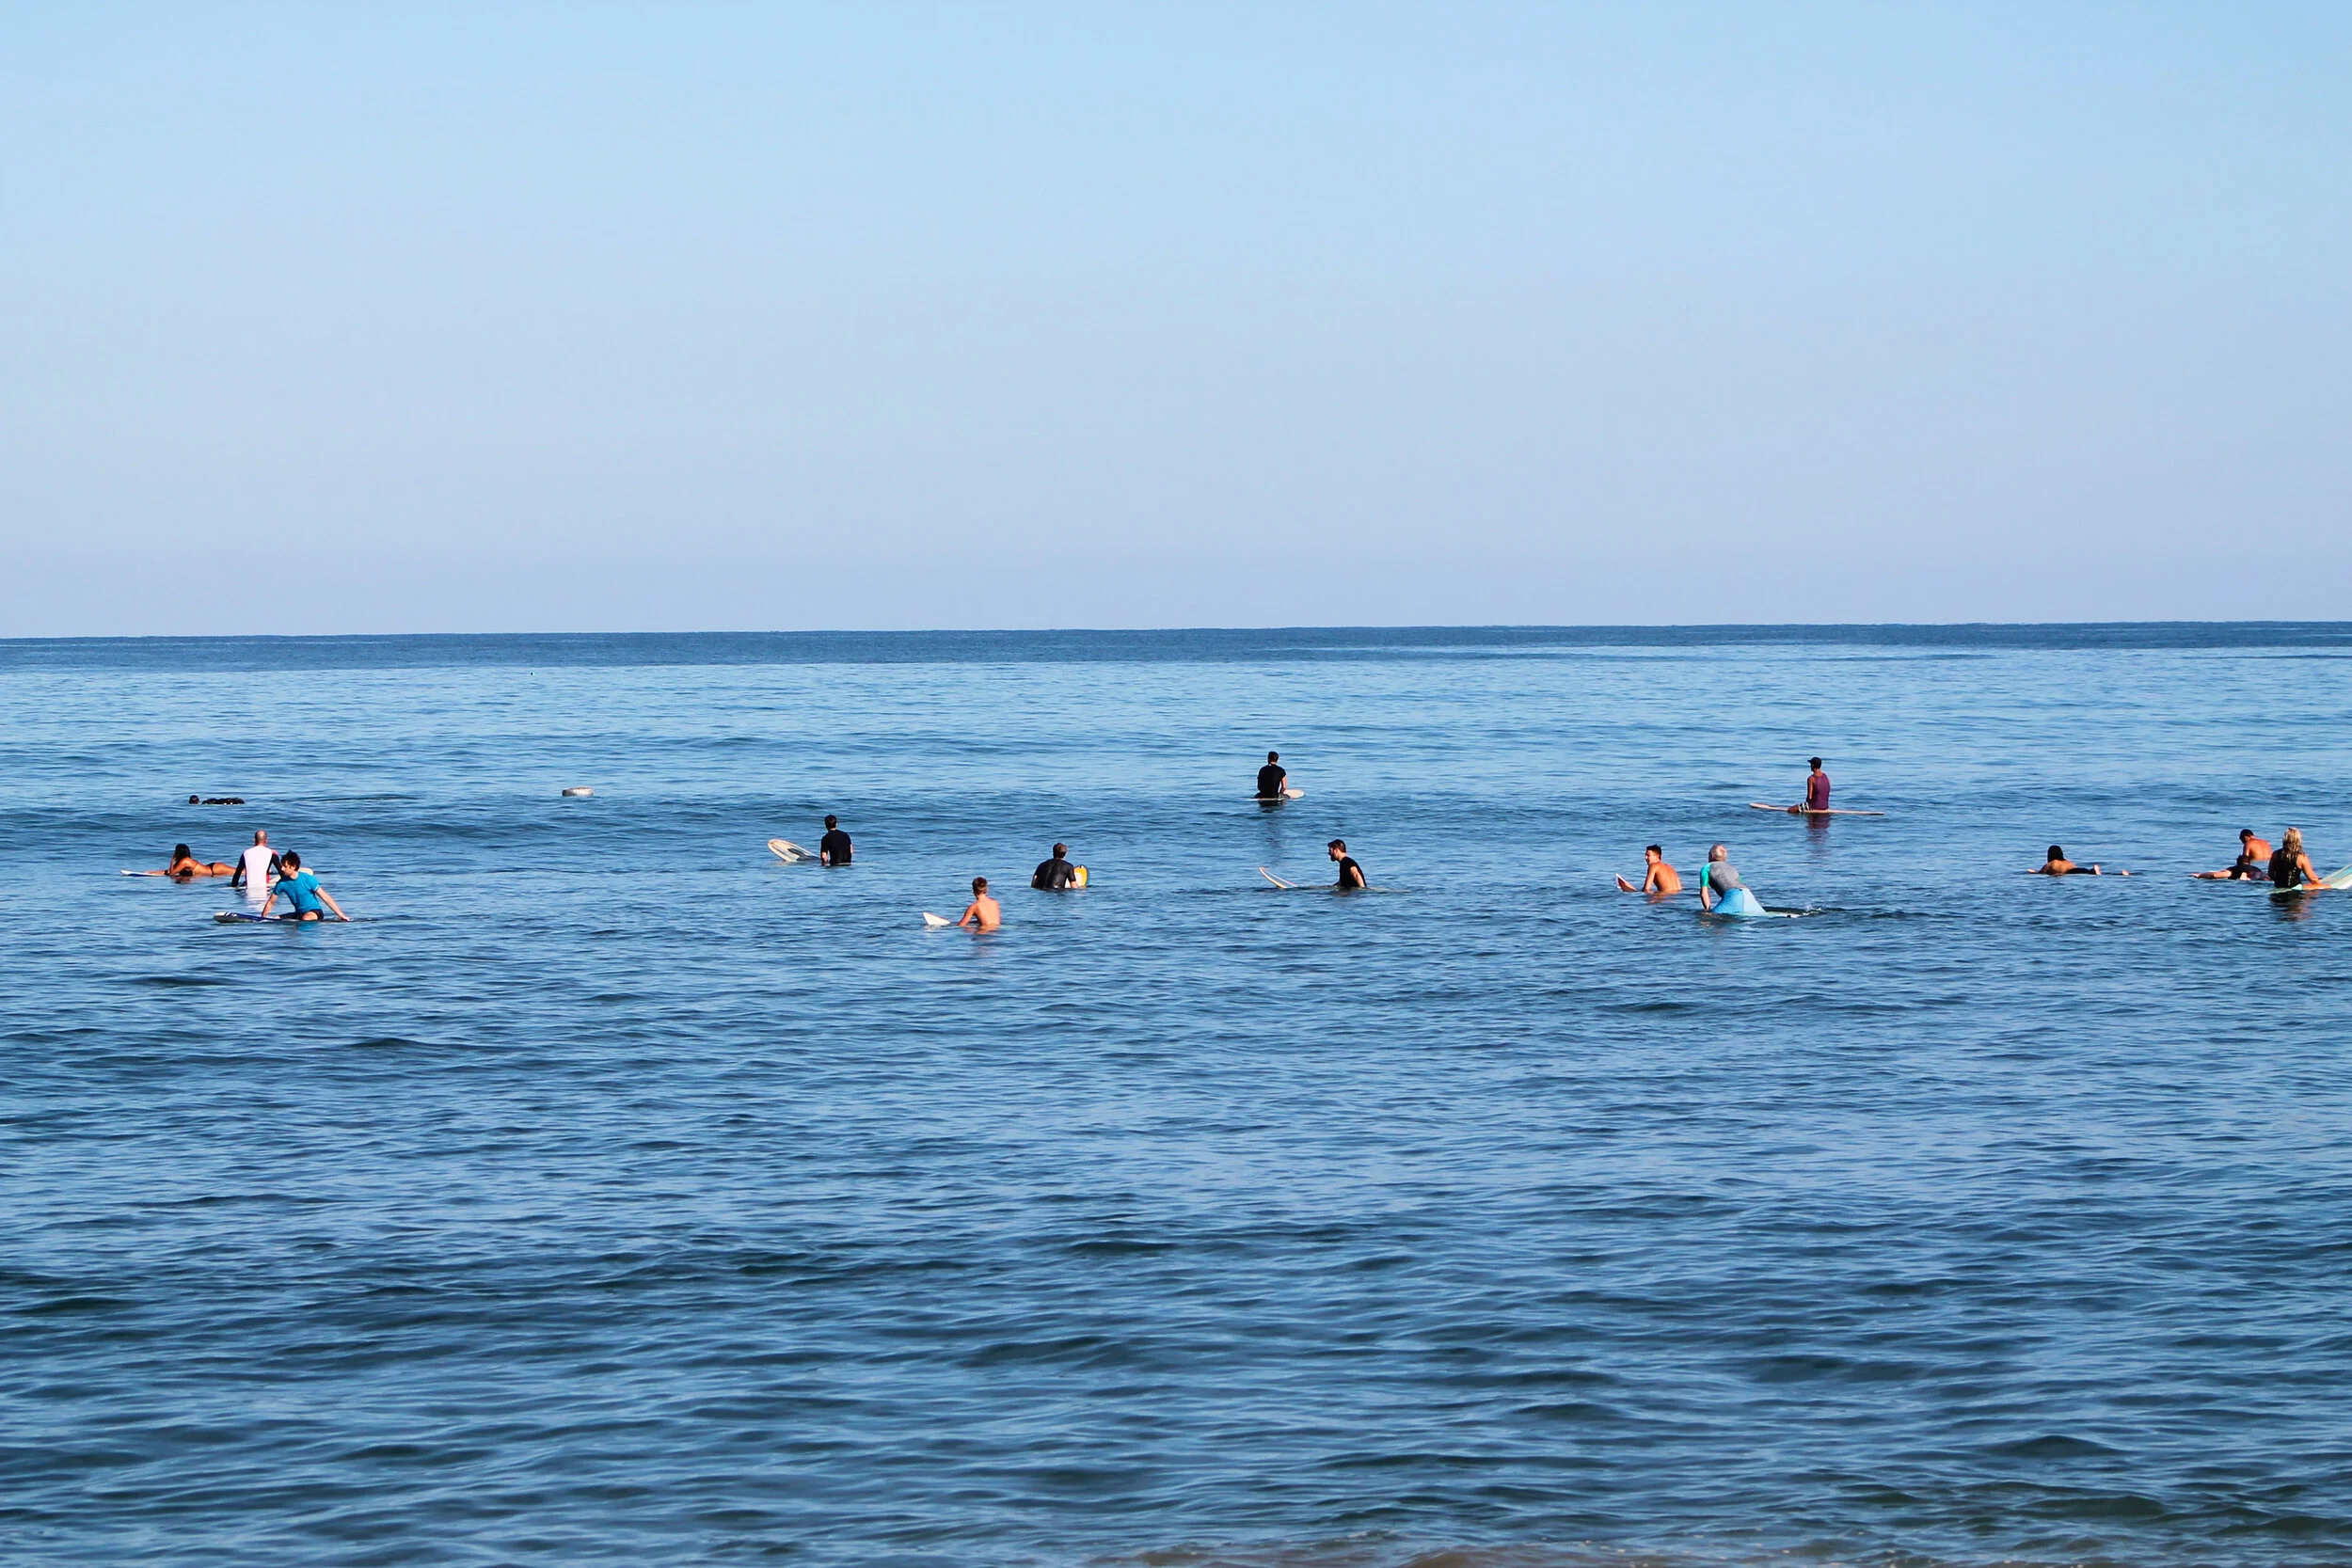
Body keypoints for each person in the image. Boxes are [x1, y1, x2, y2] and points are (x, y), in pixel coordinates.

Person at [259, 851, 348, 922]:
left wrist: (341, 914)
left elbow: (325, 897)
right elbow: (271, 902)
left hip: (315, 912)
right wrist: (262, 918)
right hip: (299, 913)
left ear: (293, 866)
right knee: (275, 919)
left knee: (306, 918)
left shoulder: (308, 879)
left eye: (285, 866)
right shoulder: (282, 883)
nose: (281, 869)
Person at [1696, 844, 1765, 915]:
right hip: (1748, 894)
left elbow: (1704, 891)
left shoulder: (1707, 867)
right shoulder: (1732, 868)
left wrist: (1707, 909)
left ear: (1711, 856)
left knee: (1711, 917)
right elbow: (1739, 883)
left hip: (1734, 896)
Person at [2194, 829, 2273, 879]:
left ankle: (2244, 877)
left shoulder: (2248, 843)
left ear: (2245, 837)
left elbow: (2245, 858)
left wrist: (2200, 875)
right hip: (2265, 866)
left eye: (2242, 840)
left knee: (2242, 873)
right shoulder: (2266, 842)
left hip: (2253, 865)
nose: (2242, 842)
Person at [2269, 827, 2326, 891]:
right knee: (2328, 887)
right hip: (2296, 890)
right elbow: (2313, 879)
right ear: (2298, 840)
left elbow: (2271, 874)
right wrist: (2321, 885)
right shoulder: (2301, 857)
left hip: (2278, 887)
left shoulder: (2275, 854)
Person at [1616, 846, 1683, 895]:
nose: (1645, 858)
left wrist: (1636, 894)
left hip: (1665, 900)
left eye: (1648, 855)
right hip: (1678, 898)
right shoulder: (1670, 867)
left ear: (1656, 856)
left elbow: (1646, 889)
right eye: (1645, 855)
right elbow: (1679, 889)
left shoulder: (1653, 866)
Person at [137, 845, 234, 879]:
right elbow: (170, 871)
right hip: (212, 869)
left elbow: (172, 873)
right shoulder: (184, 862)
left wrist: (172, 861)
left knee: (243, 872)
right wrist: (151, 873)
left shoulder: (185, 861)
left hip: (215, 870)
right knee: (242, 871)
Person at [230, 830, 278, 894]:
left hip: (248, 892)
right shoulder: (272, 853)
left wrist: (234, 888)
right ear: (266, 840)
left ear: (254, 840)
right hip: (265, 891)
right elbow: (281, 872)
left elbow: (237, 874)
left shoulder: (245, 853)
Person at [2031, 845, 2121, 876]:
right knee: (2086, 872)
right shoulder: (2066, 861)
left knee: (2085, 873)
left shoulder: (2051, 864)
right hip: (2077, 869)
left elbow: (2041, 873)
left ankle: (2093, 872)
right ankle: (2093, 871)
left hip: (2071, 873)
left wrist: (2032, 872)